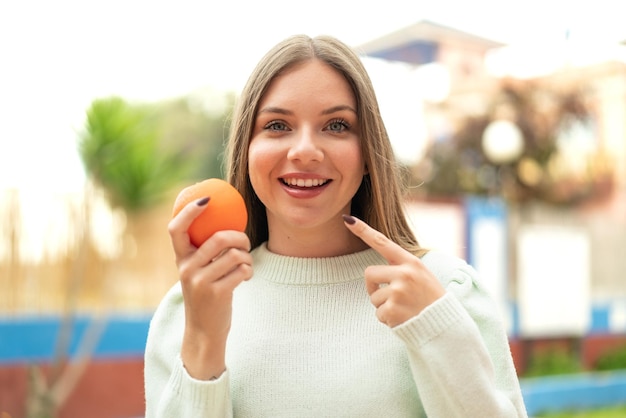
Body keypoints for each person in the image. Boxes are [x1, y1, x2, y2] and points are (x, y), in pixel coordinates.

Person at [144, 34, 528, 417]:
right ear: (246, 150)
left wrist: (438, 331)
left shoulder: (446, 291)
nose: (305, 150)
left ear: (367, 154)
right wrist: (203, 339)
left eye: (337, 126)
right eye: (277, 125)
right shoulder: (188, 309)